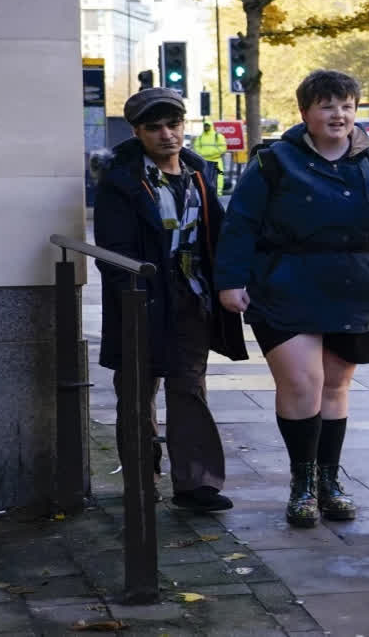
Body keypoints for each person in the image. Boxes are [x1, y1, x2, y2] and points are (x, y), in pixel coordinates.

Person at [214, 70, 369, 528]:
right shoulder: (274, 161)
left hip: (356, 287)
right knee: (302, 384)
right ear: (305, 113)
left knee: (334, 387)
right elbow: (240, 223)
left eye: (346, 105)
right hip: (285, 283)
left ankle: (330, 482)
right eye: (327, 106)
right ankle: (302, 485)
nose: (338, 115)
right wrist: (230, 281)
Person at [93, 87, 248, 512]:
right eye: (154, 127)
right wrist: (135, 295)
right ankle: (142, 480)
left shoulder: (200, 173)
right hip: (140, 301)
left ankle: (197, 484)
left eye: (174, 124)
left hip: (192, 300)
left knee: (189, 388)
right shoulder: (120, 181)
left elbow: (219, 234)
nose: (167, 134)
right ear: (137, 131)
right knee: (137, 391)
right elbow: (113, 251)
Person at [193, 122, 230, 193]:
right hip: (204, 160)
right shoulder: (200, 137)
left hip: (216, 160)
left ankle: (218, 192)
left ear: (211, 126)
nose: (206, 127)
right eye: (205, 126)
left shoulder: (218, 136)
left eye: (208, 126)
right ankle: (206, 194)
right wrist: (206, 154)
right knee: (204, 178)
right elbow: (196, 148)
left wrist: (208, 153)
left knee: (219, 177)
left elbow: (223, 148)